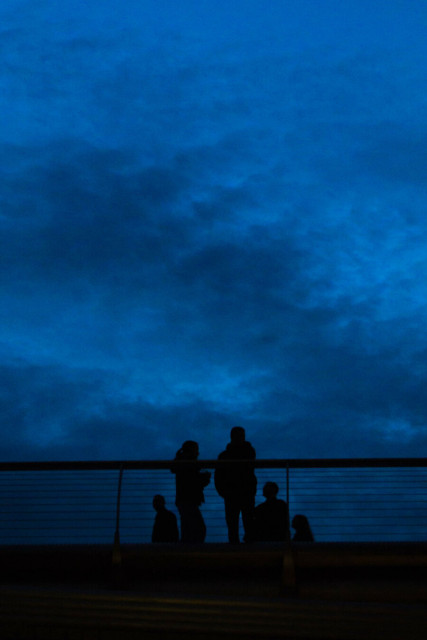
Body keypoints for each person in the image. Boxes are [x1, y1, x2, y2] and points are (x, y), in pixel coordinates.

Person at [214, 426, 257, 544]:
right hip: (234, 492)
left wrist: (222, 490)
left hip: (240, 492)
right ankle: (239, 543)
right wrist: (222, 491)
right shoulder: (247, 451)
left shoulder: (227, 455)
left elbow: (218, 474)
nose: (240, 438)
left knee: (245, 519)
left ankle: (244, 543)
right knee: (235, 521)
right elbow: (219, 475)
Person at [171, 440, 211, 543]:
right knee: (198, 529)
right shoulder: (188, 463)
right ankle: (193, 552)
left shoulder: (182, 462)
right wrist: (205, 479)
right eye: (196, 450)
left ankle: (187, 552)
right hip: (188, 499)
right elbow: (192, 481)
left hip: (184, 499)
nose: (198, 453)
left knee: (188, 529)